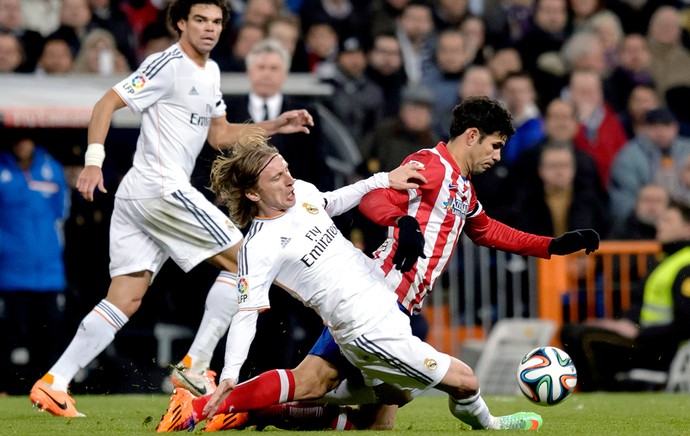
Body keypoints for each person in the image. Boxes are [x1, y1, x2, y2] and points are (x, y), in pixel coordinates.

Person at [162, 96, 601, 431]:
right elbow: (375, 198)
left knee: (361, 408)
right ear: (472, 136)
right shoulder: (429, 165)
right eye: (496, 145)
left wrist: (552, 246)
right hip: (381, 292)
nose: (498, 156)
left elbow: (487, 230)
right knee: (332, 386)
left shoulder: (462, 188)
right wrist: (403, 221)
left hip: (394, 304)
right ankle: (229, 405)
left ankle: (244, 410)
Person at [28, 0, 313, 418]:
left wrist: (274, 125)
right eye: (200, 20)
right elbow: (105, 103)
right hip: (160, 190)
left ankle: (54, 382)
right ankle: (196, 366)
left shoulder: (210, 71)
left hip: (139, 197)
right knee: (248, 260)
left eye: (216, 21)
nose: (209, 28)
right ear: (180, 22)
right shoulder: (168, 63)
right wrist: (93, 161)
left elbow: (219, 135)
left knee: (124, 299)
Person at [561, 200, 690, 391]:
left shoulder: (685, 264)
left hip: (663, 347)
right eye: (660, 220)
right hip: (648, 339)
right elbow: (640, 306)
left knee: (585, 338)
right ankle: (604, 393)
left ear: (688, 228)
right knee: (571, 331)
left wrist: (639, 332)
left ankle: (600, 396)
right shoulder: (665, 259)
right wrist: (619, 324)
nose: (659, 225)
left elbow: (686, 324)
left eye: (668, 221)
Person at [0, 133, 70, 395]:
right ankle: (3, 388)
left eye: (26, 138)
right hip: (9, 271)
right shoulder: (1, 169)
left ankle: (46, 390)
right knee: (8, 334)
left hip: (49, 271)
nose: (21, 143)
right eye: (16, 138)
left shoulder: (51, 168)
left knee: (49, 334)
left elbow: (62, 213)